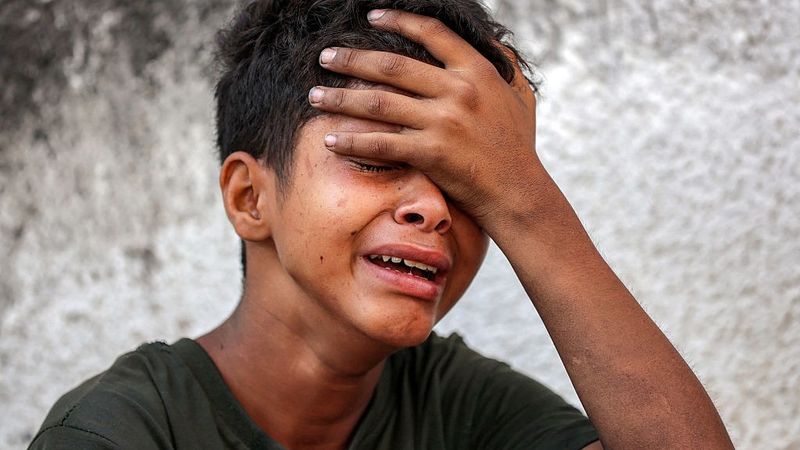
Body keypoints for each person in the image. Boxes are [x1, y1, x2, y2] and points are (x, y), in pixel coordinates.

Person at [30, 0, 734, 449]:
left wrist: (525, 198)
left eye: (469, 183)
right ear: (250, 197)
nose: (434, 208)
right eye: (376, 160)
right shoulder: (118, 431)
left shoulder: (460, 408)